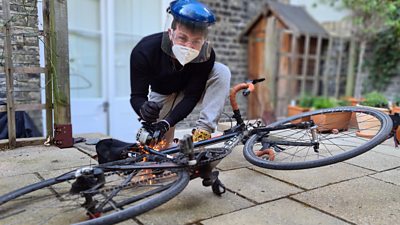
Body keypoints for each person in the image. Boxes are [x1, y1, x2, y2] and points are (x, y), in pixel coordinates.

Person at [130, 0, 231, 146]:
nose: (188, 47)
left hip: (190, 90)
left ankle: (203, 132)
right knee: (159, 146)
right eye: (182, 38)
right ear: (170, 33)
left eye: (196, 41)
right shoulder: (144, 51)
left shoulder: (206, 56)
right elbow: (137, 96)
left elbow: (191, 97)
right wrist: (143, 108)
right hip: (162, 94)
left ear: (204, 41)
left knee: (221, 71)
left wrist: (168, 122)